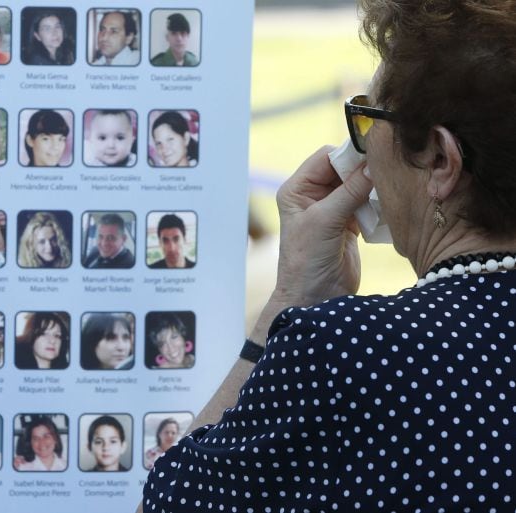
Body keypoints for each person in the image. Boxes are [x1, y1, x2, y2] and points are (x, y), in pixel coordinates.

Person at [140, 1, 516, 511]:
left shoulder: (348, 352)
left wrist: (290, 299)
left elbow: (167, 504)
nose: (359, 151)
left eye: (367, 119)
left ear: (441, 160)